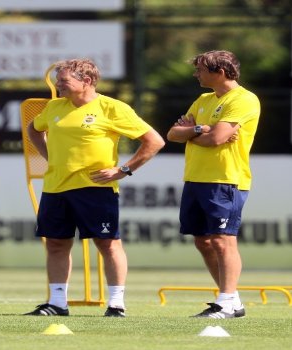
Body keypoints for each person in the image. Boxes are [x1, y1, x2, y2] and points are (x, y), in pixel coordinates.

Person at [24, 58, 165, 317]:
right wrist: (51, 158)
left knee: (108, 243)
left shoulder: (112, 108)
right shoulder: (55, 107)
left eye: (64, 81)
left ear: (86, 81)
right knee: (55, 243)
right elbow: (33, 130)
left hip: (95, 188)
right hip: (55, 187)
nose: (58, 85)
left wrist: (123, 169)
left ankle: (116, 304)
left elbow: (154, 141)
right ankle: (57, 303)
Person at [166, 50, 260, 319]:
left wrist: (199, 132)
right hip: (195, 178)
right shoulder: (204, 99)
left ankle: (226, 302)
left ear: (219, 72)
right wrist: (200, 129)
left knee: (223, 240)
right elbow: (173, 134)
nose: (196, 74)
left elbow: (217, 139)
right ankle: (232, 300)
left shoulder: (244, 99)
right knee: (203, 241)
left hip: (225, 179)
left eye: (200, 70)